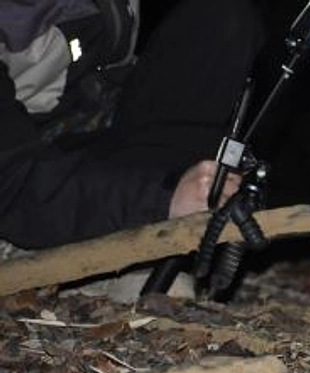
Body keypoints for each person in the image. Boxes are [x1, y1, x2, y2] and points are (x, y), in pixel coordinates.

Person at [0, 0, 265, 251]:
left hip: (77, 131)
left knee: (221, 17)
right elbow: (12, 184)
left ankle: (170, 231)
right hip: (23, 184)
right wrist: (160, 201)